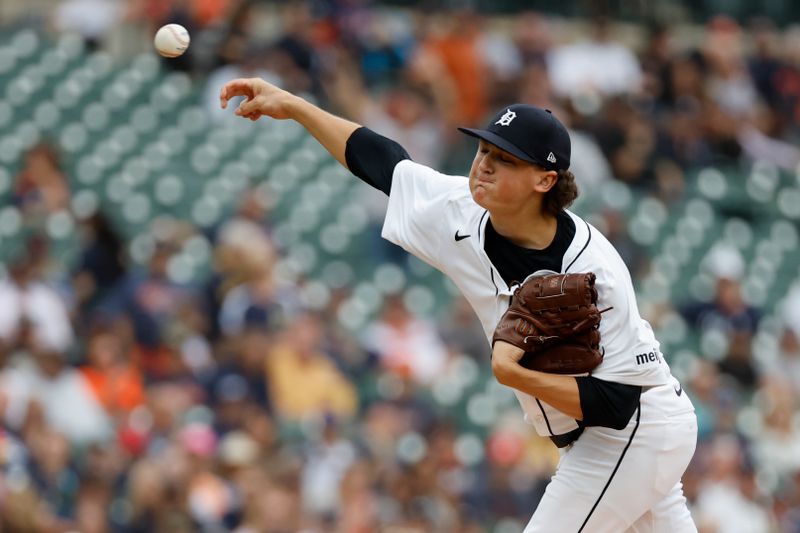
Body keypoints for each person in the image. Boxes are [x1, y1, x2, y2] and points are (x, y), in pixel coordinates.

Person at [219, 77, 698, 532]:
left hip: (635, 429)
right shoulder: (460, 210)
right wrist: (296, 107)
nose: (483, 163)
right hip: (607, 439)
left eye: (504, 159)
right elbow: (383, 161)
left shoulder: (595, 272)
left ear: (545, 181)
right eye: (483, 148)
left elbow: (617, 404)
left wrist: (517, 375)